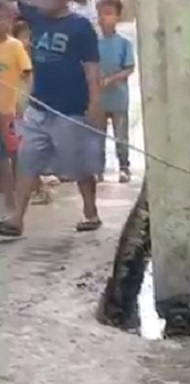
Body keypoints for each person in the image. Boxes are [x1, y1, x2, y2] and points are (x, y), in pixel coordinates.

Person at [0, 0, 104, 236]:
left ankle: (91, 212)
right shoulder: (35, 16)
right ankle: (17, 219)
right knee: (28, 160)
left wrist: (95, 101)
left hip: (69, 108)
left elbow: (91, 67)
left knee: (78, 165)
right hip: (38, 106)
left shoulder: (81, 27)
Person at [10, 16, 53, 206]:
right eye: (21, 36)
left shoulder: (30, 58)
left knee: (24, 153)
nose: (24, 40)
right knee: (19, 153)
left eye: (27, 36)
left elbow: (28, 84)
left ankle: (41, 188)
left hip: (25, 109)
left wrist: (23, 106)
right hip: (15, 108)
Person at [97, 0, 134, 183]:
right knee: (97, 135)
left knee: (121, 135)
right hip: (99, 99)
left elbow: (129, 68)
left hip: (119, 97)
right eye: (102, 13)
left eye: (109, 13)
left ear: (117, 17)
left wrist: (112, 79)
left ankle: (124, 167)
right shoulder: (93, 43)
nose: (104, 17)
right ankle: (97, 169)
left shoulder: (123, 44)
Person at [0, 2, 30, 213]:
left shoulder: (15, 46)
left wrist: (22, 100)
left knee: (17, 156)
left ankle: (20, 200)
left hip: (10, 111)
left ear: (11, 21)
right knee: (2, 159)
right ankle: (9, 201)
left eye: (3, 19)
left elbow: (27, 74)